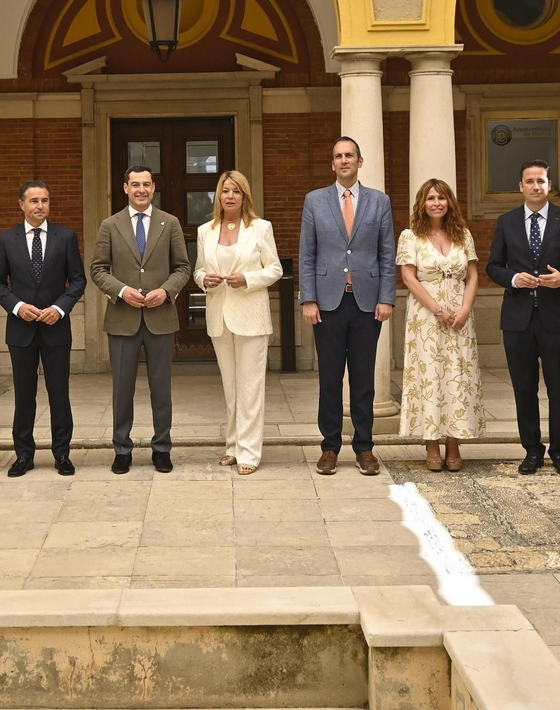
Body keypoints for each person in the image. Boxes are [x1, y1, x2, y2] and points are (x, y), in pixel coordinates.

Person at [299, 136, 396, 477]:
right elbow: (307, 253)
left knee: (364, 378)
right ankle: (329, 447)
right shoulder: (315, 201)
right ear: (332, 163)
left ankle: (365, 447)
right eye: (338, 156)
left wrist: (387, 297)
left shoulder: (379, 202)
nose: (344, 161)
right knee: (329, 378)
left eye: (349, 155)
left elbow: (387, 253)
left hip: (368, 303)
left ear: (360, 161)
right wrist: (308, 298)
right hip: (326, 303)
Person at [486, 160, 560, 477]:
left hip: (555, 318)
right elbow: (493, 266)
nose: (535, 186)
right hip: (517, 320)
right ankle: (532, 451)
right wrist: (514, 279)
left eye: (541, 181)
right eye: (529, 181)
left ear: (549, 184)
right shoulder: (506, 222)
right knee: (524, 389)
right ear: (520, 186)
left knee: (558, 389)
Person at [91, 164, 191, 474]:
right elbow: (98, 269)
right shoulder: (110, 225)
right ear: (125, 188)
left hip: (160, 317)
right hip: (123, 319)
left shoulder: (169, 223)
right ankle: (122, 449)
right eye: (135, 184)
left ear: (153, 187)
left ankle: (162, 448)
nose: (141, 190)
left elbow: (183, 268)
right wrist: (120, 291)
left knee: (161, 388)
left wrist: (166, 291)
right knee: (122, 389)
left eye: (146, 184)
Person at [0, 180, 87, 478]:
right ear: (22, 204)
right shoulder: (8, 239)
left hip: (56, 327)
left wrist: (59, 308)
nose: (40, 206)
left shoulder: (65, 237)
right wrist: (18, 307)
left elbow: (79, 280)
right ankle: (23, 455)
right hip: (21, 330)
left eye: (44, 200)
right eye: (34, 201)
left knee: (59, 393)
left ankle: (62, 454)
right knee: (24, 394)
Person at [195, 170, 282, 476]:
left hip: (251, 317)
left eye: (235, 191)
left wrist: (247, 278)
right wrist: (205, 279)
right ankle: (232, 446)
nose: (229, 196)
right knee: (231, 388)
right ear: (218, 196)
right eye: (224, 191)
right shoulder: (206, 230)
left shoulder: (260, 228)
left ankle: (249, 452)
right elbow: (198, 271)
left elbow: (274, 269)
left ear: (245, 196)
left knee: (250, 388)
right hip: (219, 318)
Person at [398, 178, 483, 473]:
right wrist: (437, 310)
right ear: (422, 203)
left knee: (457, 375)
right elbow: (408, 278)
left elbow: (472, 275)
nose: (436, 203)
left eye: (442, 198)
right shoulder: (411, 236)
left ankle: (454, 442)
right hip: (426, 316)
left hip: (460, 315)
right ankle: (431, 443)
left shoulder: (463, 235)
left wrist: (465, 308)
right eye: (431, 198)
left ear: (450, 203)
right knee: (431, 375)